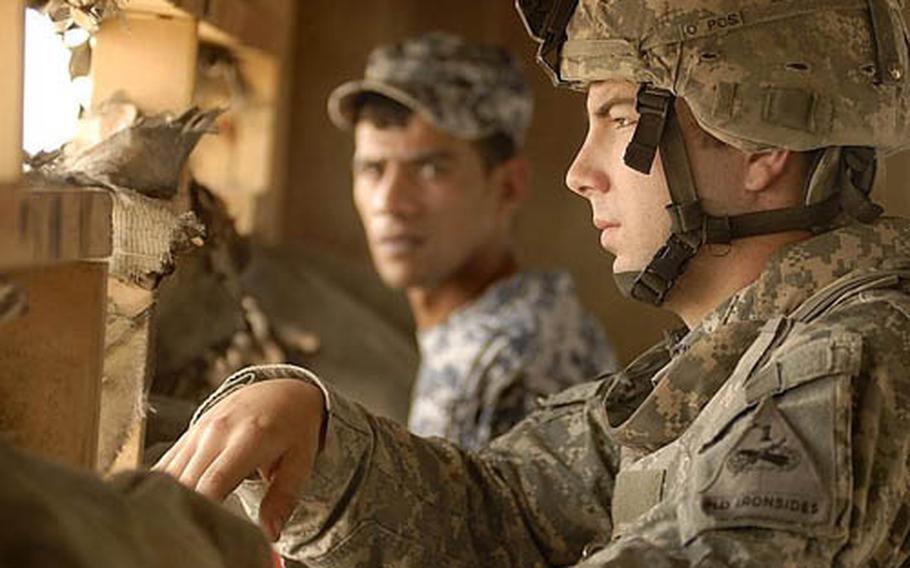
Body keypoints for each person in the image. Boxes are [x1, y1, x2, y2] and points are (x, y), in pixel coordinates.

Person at [156, 1, 910, 566]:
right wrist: (316, 439)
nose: (580, 174)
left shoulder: (854, 361)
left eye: (617, 118)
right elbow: (510, 511)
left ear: (757, 147)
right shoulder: (723, 363)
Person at [326, 32, 615, 449]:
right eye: (372, 169)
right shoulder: (480, 335)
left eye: (429, 169)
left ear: (508, 187)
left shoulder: (521, 361)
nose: (389, 201)